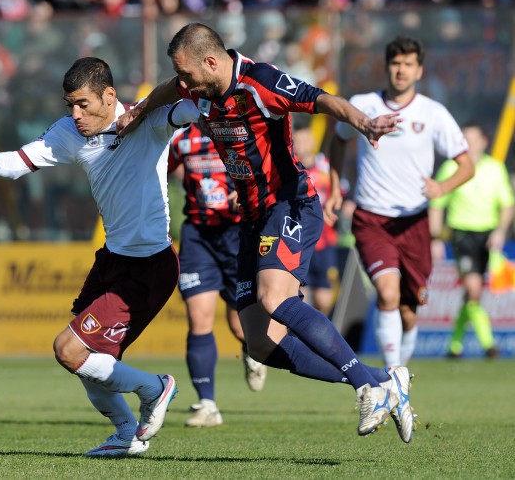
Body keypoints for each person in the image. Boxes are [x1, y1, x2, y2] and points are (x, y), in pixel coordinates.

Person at [116, 22, 415, 443]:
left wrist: (364, 123)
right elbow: (169, 88)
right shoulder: (197, 86)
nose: (183, 84)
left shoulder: (261, 82)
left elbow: (321, 100)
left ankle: (367, 388)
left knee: (274, 298)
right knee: (258, 343)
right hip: (252, 217)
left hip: (289, 203)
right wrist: (139, 109)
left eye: (187, 75)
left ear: (212, 61)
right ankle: (384, 381)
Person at [0, 57, 201, 457]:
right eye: (69, 104)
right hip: (111, 260)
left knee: (69, 350)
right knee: (85, 359)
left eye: (83, 104)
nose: (75, 114)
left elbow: (196, 105)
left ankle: (156, 388)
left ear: (109, 96)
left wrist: (217, 95)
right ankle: (126, 434)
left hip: (150, 265)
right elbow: (19, 162)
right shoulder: (70, 131)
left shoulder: (150, 120)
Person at [325, 36, 474, 370]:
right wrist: (335, 189)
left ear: (419, 70)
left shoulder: (433, 113)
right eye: (395, 63)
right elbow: (338, 140)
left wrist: (442, 187)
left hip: (414, 222)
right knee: (387, 294)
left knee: (409, 310)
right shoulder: (364, 105)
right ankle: (393, 378)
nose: (401, 70)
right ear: (387, 67)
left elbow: (467, 165)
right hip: (371, 218)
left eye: (408, 64)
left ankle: (401, 371)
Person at [168, 123, 266, 429]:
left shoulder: (239, 130)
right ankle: (207, 404)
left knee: (241, 327)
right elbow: (157, 170)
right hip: (197, 236)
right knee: (199, 318)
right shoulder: (180, 138)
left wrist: (250, 192)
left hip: (237, 235)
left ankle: (252, 350)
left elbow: (264, 170)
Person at [429, 121, 514, 359]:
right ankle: (489, 344)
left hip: (488, 237)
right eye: (463, 138)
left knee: (473, 295)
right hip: (462, 234)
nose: (468, 143)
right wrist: (435, 238)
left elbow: (507, 204)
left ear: (484, 141)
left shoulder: (495, 168)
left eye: (472, 138)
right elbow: (437, 204)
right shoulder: (450, 168)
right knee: (473, 289)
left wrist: (500, 231)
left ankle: (455, 346)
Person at [293, 125, 338, 317]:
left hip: (324, 242)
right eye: (298, 141)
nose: (302, 145)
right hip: (298, 242)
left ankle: (323, 334)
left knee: (323, 299)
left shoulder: (326, 168)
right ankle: (305, 338)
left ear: (313, 141)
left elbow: (341, 194)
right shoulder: (290, 169)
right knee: (301, 295)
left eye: (305, 140)